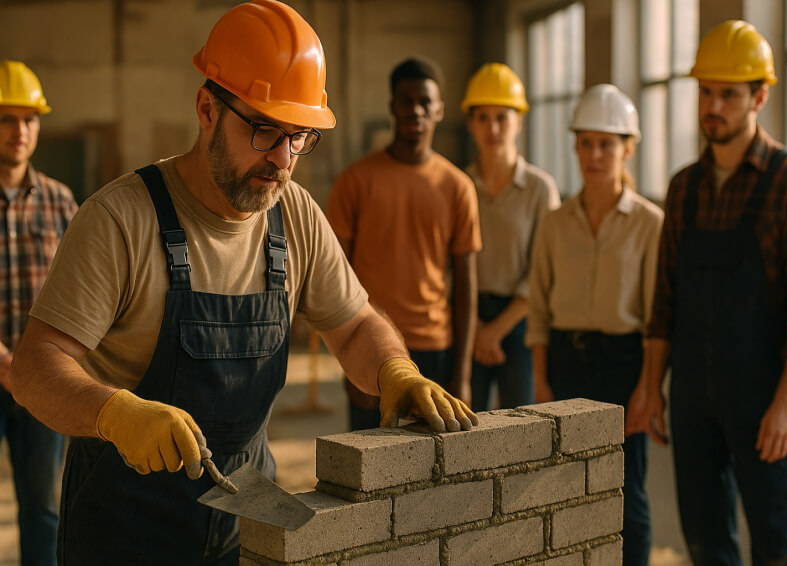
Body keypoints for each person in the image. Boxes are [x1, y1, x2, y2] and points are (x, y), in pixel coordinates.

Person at [8, 3, 476, 565]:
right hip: (125, 528)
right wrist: (116, 413)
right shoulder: (120, 220)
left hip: (245, 521)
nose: (282, 159)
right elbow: (37, 369)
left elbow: (353, 326)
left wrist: (394, 371)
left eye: (298, 137)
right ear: (207, 108)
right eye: (262, 130)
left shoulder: (294, 215)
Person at [626, 20, 787, 566]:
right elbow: (664, 301)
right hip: (694, 399)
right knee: (707, 545)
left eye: (728, 94)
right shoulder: (684, 188)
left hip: (766, 400)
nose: (712, 106)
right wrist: (652, 387)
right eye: (705, 91)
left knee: (778, 548)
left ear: (759, 97)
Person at [527, 84, 662, 566]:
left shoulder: (650, 224)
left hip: (625, 364)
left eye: (607, 143)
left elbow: (655, 321)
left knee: (628, 488)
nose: (595, 154)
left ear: (628, 147)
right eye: (586, 143)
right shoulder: (555, 222)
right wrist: (540, 378)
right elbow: (539, 309)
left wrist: (650, 388)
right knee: (562, 482)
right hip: (565, 358)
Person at [326, 57, 481, 430]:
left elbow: (465, 286)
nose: (415, 109)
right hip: (373, 349)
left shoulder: (458, 187)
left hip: (436, 347)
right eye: (406, 100)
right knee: (369, 475)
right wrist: (351, 363)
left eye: (425, 101)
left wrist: (462, 375)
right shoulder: (355, 181)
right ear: (392, 107)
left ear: (439, 109)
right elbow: (334, 278)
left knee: (437, 474)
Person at [0, 60, 77, 566]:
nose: (20, 131)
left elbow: (79, 293)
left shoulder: (59, 201)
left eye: (29, 119)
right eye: (7, 119)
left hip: (40, 381)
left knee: (43, 509)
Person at [460, 63, 560, 411]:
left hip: (521, 323)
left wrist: (496, 331)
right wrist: (476, 328)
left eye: (503, 117)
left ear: (518, 121)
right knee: (463, 429)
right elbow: (446, 263)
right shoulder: (458, 186)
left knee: (522, 428)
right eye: (483, 117)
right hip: (467, 315)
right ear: (471, 124)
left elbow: (543, 270)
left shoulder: (540, 189)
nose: (493, 127)